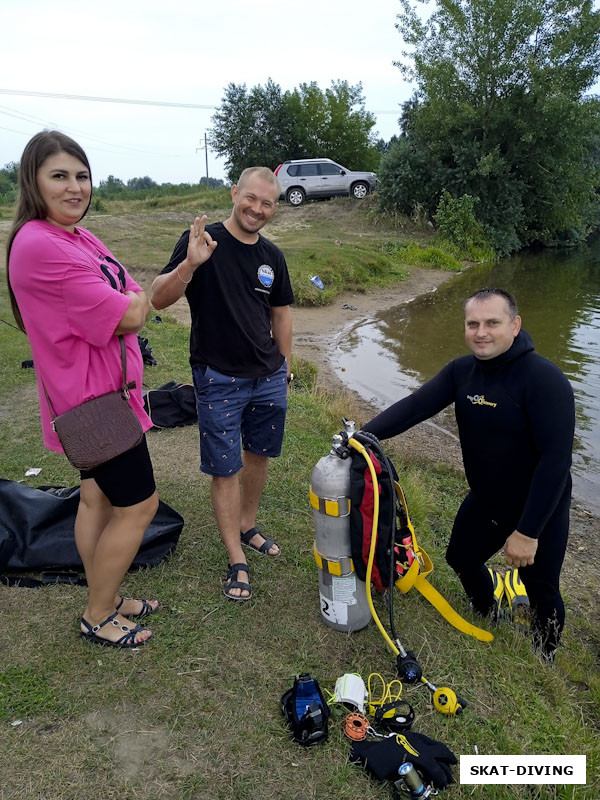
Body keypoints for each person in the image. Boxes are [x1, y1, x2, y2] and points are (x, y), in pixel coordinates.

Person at [363, 288, 575, 661]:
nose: (481, 332)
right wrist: (362, 435)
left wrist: (527, 533)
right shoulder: (463, 371)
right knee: (460, 557)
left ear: (515, 325)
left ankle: (545, 653)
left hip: (539, 507)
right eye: (473, 324)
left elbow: (556, 462)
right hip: (488, 498)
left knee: (540, 587)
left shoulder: (544, 380)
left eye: (492, 323)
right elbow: (415, 406)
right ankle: (487, 609)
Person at [7, 131, 159, 648]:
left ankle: (105, 592)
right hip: (95, 405)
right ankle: (98, 614)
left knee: (95, 499)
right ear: (33, 180)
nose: (75, 188)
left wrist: (131, 295)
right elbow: (132, 309)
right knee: (139, 506)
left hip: (103, 396)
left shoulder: (76, 235)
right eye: (60, 176)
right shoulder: (40, 245)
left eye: (82, 175)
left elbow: (130, 289)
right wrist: (131, 298)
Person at [151, 167, 294, 602]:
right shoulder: (203, 240)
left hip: (268, 377)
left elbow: (282, 313)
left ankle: (247, 525)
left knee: (258, 455)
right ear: (235, 193)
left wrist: (285, 366)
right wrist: (190, 265)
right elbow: (156, 298)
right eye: (250, 198)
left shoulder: (272, 255)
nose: (257, 208)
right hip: (218, 378)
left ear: (275, 207)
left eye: (267, 203)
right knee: (224, 467)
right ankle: (236, 557)